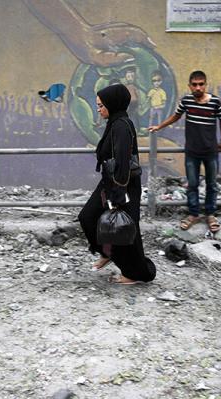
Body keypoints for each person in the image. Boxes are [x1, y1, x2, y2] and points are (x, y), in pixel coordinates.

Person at [78, 84, 156, 285]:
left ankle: (134, 273)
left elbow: (122, 162)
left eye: (101, 105)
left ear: (112, 104)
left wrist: (119, 195)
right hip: (110, 182)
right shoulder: (115, 122)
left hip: (122, 184)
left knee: (125, 228)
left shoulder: (121, 126)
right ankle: (106, 252)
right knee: (88, 217)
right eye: (97, 105)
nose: (98, 109)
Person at [148, 70, 221, 233]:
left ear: (206, 84)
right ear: (189, 86)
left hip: (211, 151)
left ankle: (211, 214)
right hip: (192, 152)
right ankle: (193, 214)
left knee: (212, 185)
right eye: (194, 84)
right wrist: (159, 126)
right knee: (192, 184)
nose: (198, 87)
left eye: (201, 84)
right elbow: (175, 117)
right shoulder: (186, 101)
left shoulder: (215, 102)